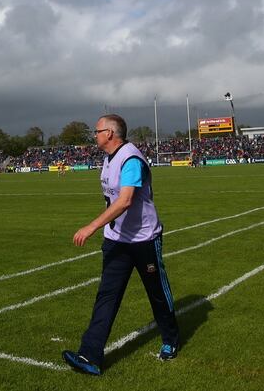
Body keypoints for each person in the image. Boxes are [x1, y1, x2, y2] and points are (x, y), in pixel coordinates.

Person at [62, 114, 179, 375]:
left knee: (157, 293)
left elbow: (125, 200)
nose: (94, 135)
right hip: (116, 241)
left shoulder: (131, 159)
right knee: (107, 296)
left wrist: (91, 226)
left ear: (110, 134)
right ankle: (90, 355)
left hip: (143, 240)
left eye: (97, 131)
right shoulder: (108, 158)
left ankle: (170, 339)